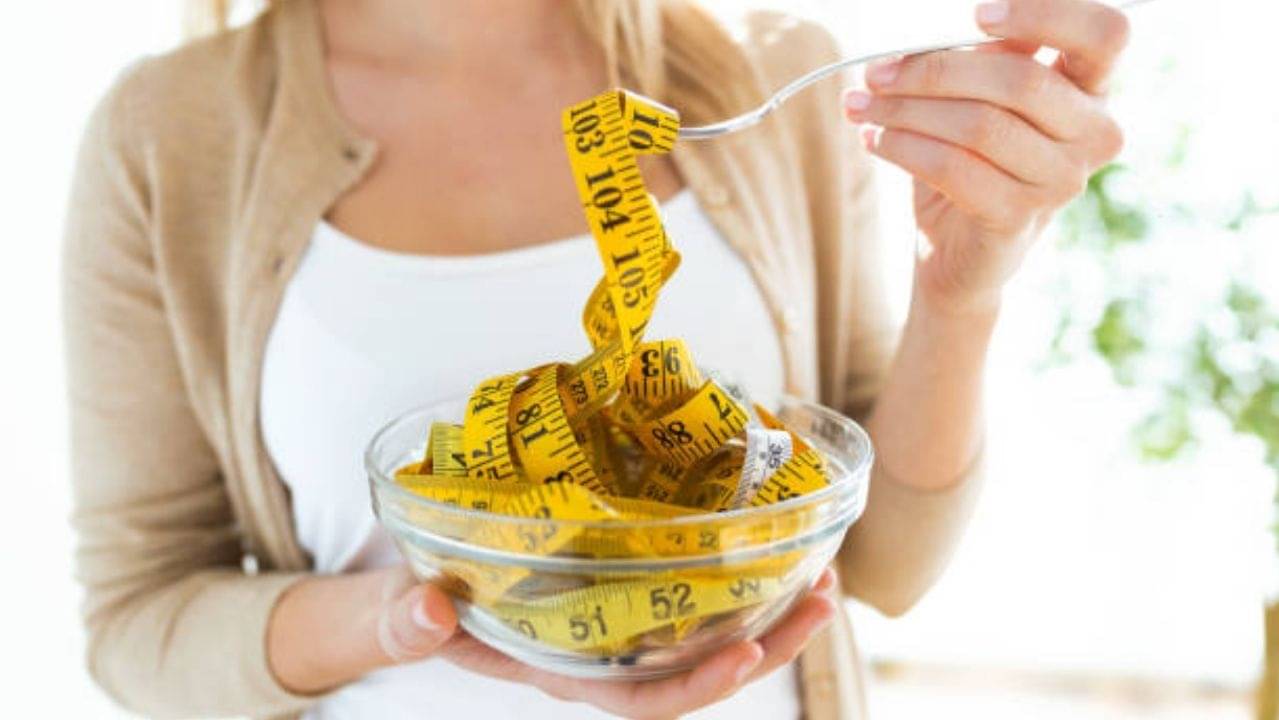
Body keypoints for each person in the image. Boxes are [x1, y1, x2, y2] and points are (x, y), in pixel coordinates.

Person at [62, 0, 1129, 717]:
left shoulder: (775, 76)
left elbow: (884, 564)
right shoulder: (168, 136)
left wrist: (960, 290)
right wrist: (402, 619)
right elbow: (135, 623)